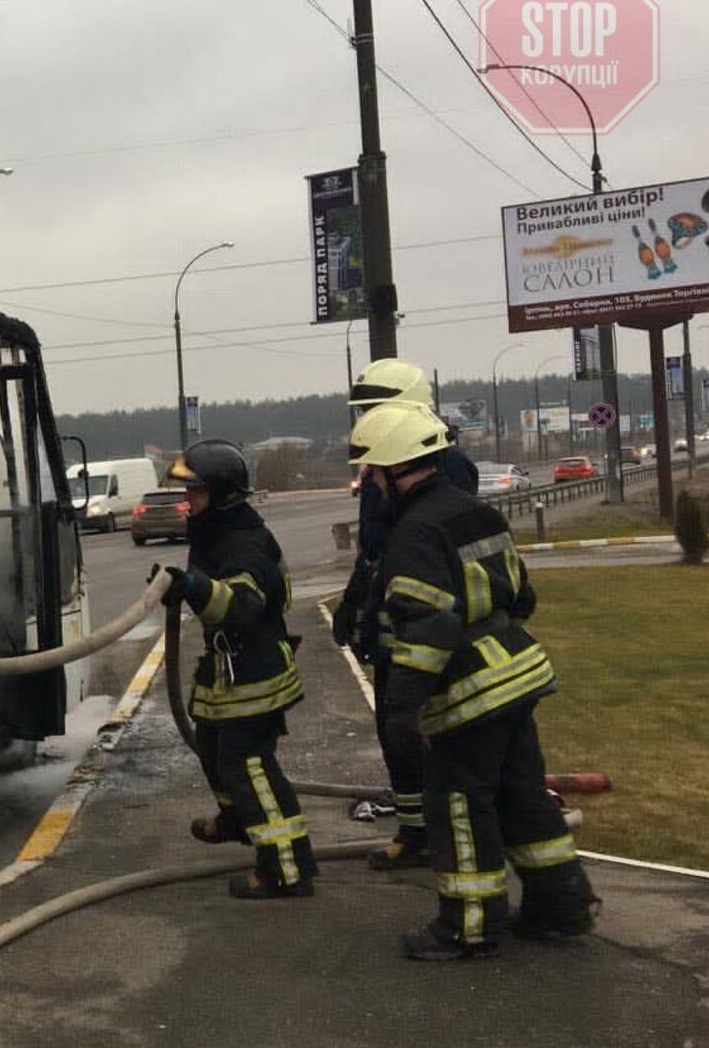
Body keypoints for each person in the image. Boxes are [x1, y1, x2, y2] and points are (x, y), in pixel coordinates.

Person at [348, 401, 599, 960]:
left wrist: (403, 709)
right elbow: (523, 597)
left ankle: (469, 924)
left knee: (458, 805)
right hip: (517, 673)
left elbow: (428, 625)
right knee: (524, 796)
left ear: (393, 467)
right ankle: (562, 906)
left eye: (372, 470)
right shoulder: (476, 511)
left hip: (469, 691)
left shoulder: (413, 533)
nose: (370, 482)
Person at [334, 358, 479, 871]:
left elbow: (437, 547)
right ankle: (415, 830)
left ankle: (437, 831)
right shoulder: (383, 462)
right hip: (391, 613)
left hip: (426, 623)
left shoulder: (443, 463)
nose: (370, 417)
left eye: (378, 407)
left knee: (421, 728)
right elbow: (374, 549)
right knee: (393, 731)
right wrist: (356, 601)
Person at [158, 438, 317, 899]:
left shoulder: (242, 543)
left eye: (196, 493)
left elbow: (243, 605)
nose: (188, 502)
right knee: (210, 742)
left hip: (255, 669)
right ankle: (238, 820)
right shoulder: (217, 532)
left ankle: (286, 868)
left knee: (248, 765)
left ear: (224, 494)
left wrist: (194, 587)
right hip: (231, 665)